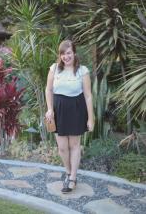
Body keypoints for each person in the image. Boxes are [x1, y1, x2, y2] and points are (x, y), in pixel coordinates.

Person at [45, 40, 94, 193]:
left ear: (74, 53)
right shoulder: (54, 69)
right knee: (62, 147)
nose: (66, 56)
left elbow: (88, 96)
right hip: (58, 110)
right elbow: (48, 90)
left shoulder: (82, 71)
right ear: (60, 55)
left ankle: (72, 178)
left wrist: (90, 118)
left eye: (68, 53)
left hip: (76, 109)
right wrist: (49, 109)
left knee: (74, 145)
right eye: (63, 53)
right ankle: (68, 171)